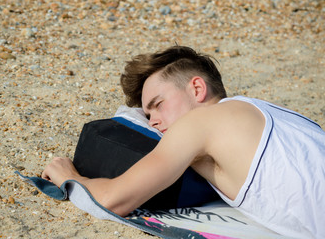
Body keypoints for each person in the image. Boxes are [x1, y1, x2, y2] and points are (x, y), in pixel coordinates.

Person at [42, 46, 325, 238]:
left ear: (197, 88)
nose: (152, 121)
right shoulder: (273, 112)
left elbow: (114, 200)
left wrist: (68, 176)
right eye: (148, 114)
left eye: (158, 104)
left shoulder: (198, 123)